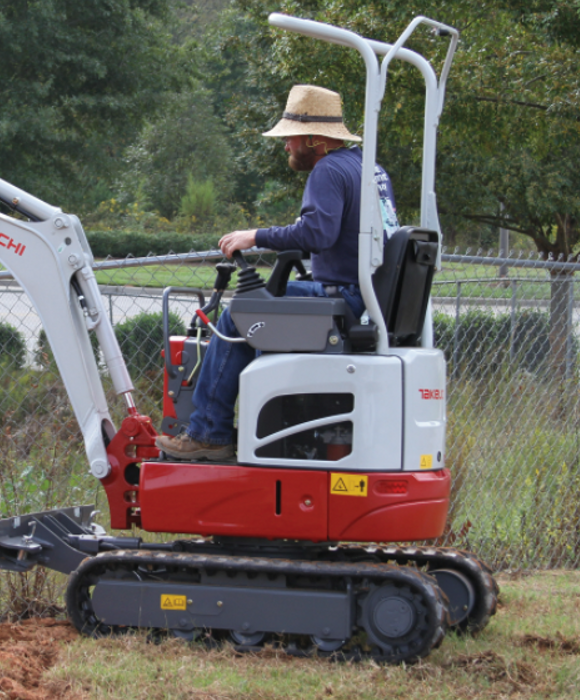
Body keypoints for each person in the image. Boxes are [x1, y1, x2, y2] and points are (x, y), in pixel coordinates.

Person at [155, 84, 398, 461]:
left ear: (314, 138)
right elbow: (343, 235)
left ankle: (208, 432)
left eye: (291, 137)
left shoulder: (328, 171)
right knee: (267, 304)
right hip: (365, 298)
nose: (286, 146)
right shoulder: (369, 168)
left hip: (345, 297)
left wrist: (254, 236)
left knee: (240, 315)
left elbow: (318, 233)